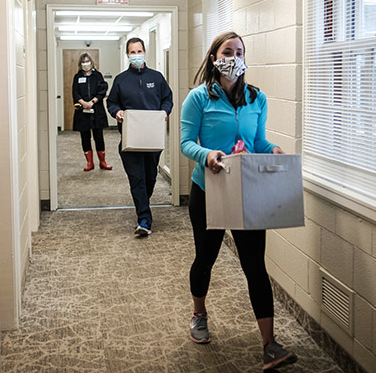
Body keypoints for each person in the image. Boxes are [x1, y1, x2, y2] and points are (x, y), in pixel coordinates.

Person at [180, 32, 298, 370]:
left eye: (239, 51)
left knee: (254, 266)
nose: (233, 56)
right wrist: (207, 155)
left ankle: (269, 344)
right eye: (227, 51)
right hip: (209, 188)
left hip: (247, 189)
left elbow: (256, 140)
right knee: (206, 258)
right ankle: (199, 313)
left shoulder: (255, 98)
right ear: (214, 57)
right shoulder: (198, 98)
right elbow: (186, 142)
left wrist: (271, 148)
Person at [107, 37, 173, 236]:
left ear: (144, 52)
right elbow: (111, 103)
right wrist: (117, 112)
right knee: (137, 179)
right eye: (132, 52)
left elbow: (167, 99)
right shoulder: (121, 80)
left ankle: (143, 204)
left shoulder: (157, 77)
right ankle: (144, 219)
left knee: (150, 177)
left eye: (139, 51)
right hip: (130, 140)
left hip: (152, 139)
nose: (136, 55)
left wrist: (165, 112)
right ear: (127, 55)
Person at [72, 53, 112, 171]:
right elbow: (75, 92)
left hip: (96, 110)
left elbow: (102, 90)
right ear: (80, 64)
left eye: (87, 61)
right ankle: (90, 163)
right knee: (85, 137)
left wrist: (92, 101)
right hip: (82, 111)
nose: (86, 63)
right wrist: (83, 102)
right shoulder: (77, 76)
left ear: (91, 62)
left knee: (98, 137)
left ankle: (102, 162)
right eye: (83, 61)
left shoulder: (97, 75)